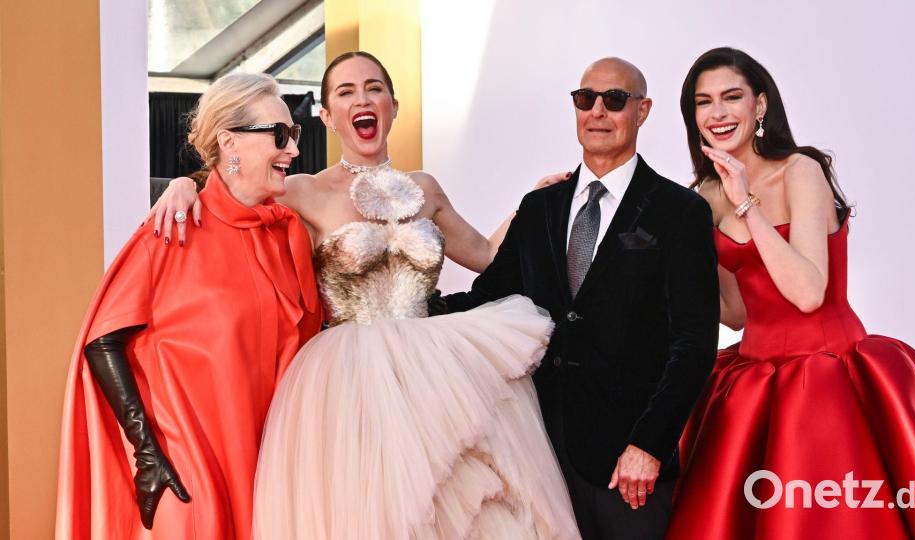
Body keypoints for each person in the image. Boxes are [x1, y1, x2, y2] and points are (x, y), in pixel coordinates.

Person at [149, 51, 580, 539]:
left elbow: (484, 253)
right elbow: (232, 190)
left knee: (461, 506)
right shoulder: (301, 190)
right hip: (349, 377)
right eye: (346, 91)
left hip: (435, 370)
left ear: (393, 106)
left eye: (374, 88)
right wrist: (182, 184)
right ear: (328, 117)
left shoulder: (426, 188)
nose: (363, 98)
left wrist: (530, 203)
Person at [665, 47, 915, 539]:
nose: (717, 113)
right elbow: (736, 313)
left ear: (759, 107)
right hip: (752, 379)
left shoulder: (800, 171)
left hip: (829, 375)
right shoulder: (705, 196)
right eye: (703, 102)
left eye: (731, 97)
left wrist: (747, 207)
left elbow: (807, 292)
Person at [435, 57, 720, 540]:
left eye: (614, 100)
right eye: (585, 99)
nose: (598, 112)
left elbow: (693, 342)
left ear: (643, 110)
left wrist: (649, 445)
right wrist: (404, 314)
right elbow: (489, 298)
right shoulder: (540, 207)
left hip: (627, 463)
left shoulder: (680, 211)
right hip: (538, 450)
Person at [56, 73, 323, 539]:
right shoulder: (174, 228)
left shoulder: (289, 236)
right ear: (229, 141)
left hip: (271, 468)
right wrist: (147, 453)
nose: (294, 151)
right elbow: (103, 339)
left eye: (294, 135)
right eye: (279, 135)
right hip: (190, 472)